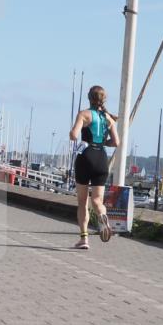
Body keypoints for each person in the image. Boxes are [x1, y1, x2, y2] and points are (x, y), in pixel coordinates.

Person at [68, 85, 119, 250]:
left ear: (89, 98)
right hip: (101, 158)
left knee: (82, 202)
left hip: (86, 156)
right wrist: (103, 142)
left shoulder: (84, 114)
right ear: (103, 100)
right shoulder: (109, 119)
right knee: (97, 201)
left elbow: (73, 135)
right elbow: (116, 142)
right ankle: (103, 216)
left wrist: (76, 132)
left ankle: (84, 239)